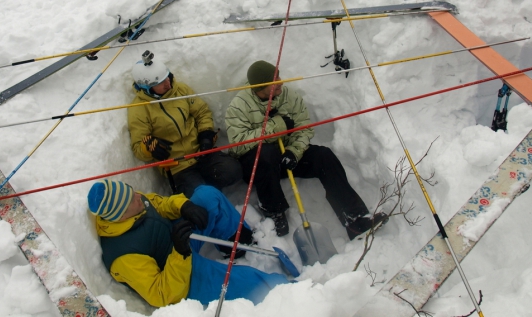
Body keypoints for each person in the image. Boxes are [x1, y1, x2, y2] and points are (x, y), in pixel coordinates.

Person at [225, 60, 387, 239]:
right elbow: (237, 145)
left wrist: (294, 151)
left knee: (324, 156)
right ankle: (274, 211)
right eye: (274, 82)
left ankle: (355, 218)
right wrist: (275, 127)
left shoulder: (288, 96)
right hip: (258, 166)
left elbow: (304, 127)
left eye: (278, 77)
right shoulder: (239, 106)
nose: (280, 83)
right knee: (267, 152)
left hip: (285, 156)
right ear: (259, 89)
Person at [88, 180, 288, 307]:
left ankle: (235, 243)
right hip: (182, 277)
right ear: (121, 216)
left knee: (207, 196)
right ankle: (299, 296)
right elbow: (162, 294)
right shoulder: (123, 257)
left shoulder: (132, 203)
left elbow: (160, 204)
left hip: (178, 238)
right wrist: (180, 253)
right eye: (132, 200)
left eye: (132, 191)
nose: (139, 196)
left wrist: (184, 206)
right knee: (255, 284)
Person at [127, 50, 241, 198]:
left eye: (167, 77)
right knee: (203, 198)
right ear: (147, 88)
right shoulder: (139, 108)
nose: (167, 83)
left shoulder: (180, 90)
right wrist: (149, 148)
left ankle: (205, 186)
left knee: (233, 171)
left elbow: (202, 111)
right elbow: (138, 147)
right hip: (178, 166)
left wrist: (205, 134)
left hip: (200, 152)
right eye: (160, 83)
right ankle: (200, 190)